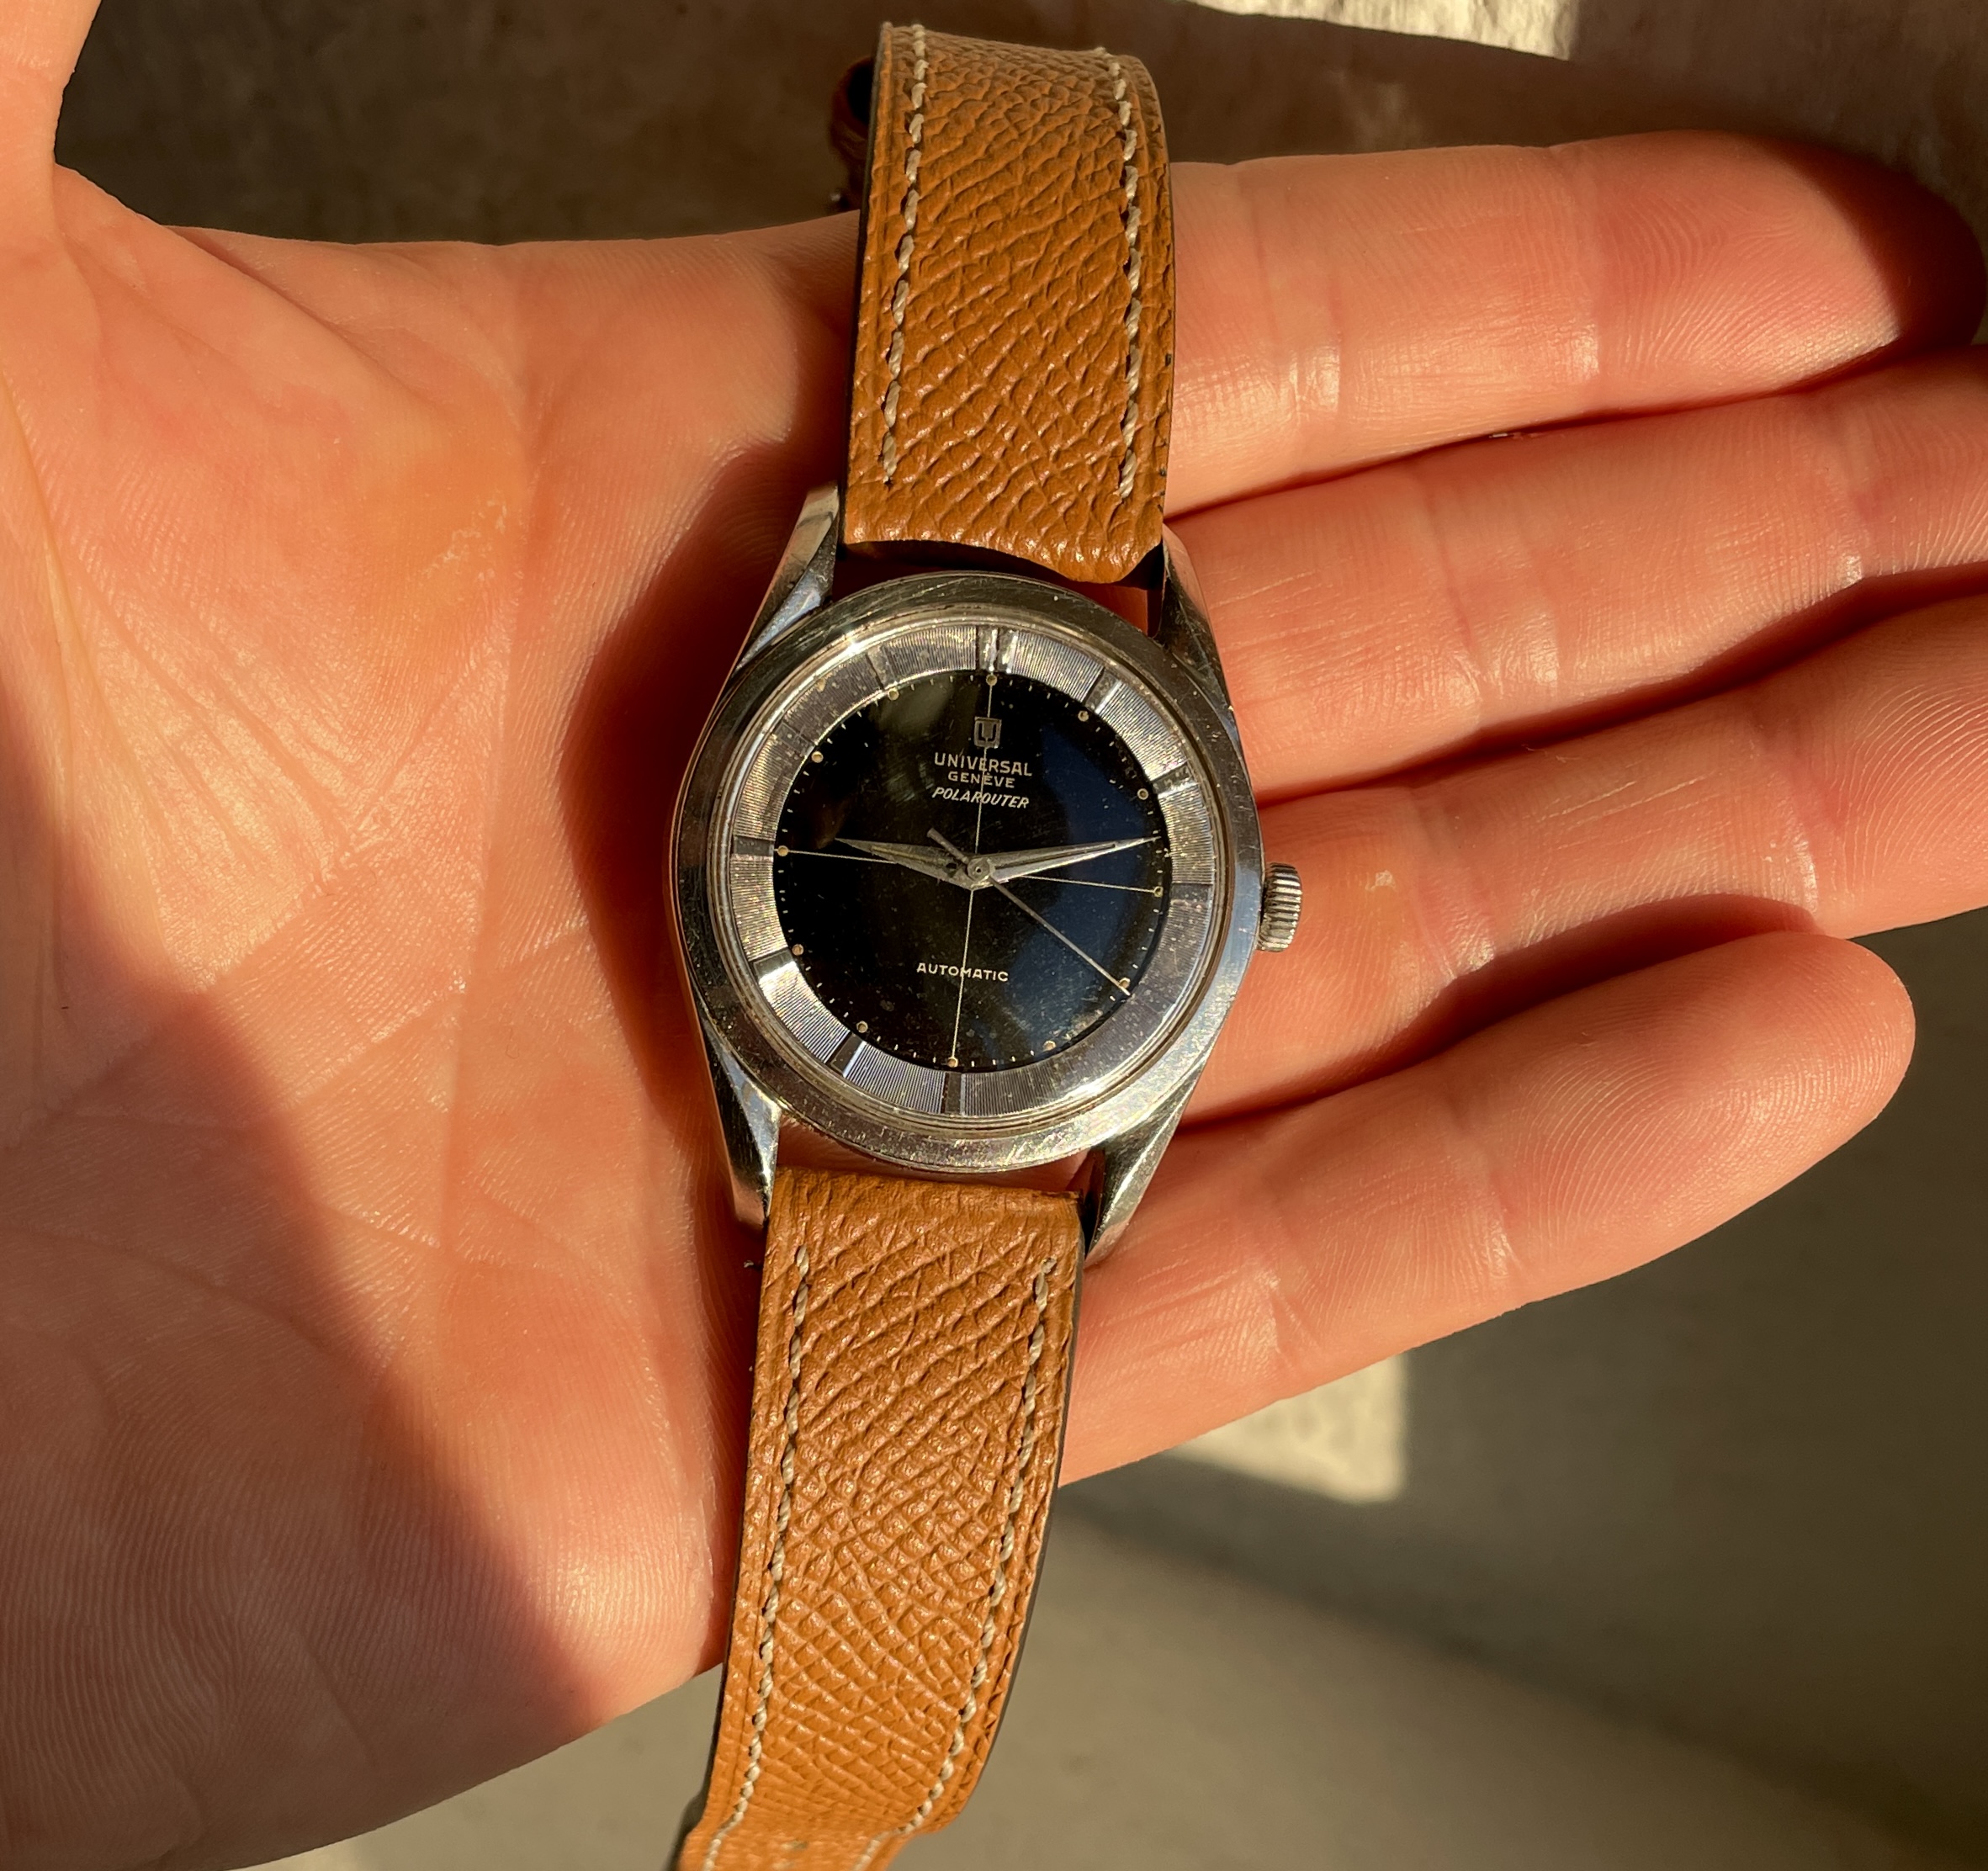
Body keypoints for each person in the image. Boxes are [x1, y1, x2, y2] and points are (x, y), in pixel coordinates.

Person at [2, 3, 1985, 1865]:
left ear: (1242, 905)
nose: (965, 878)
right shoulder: (921, 746)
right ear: (1232, 902)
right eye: (956, 867)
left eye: (1014, 875)